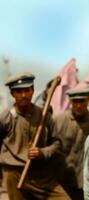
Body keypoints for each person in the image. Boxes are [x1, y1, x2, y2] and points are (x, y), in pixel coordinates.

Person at [0, 72, 70, 200]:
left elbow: (57, 143)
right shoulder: (6, 117)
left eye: (27, 90)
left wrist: (42, 152)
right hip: (14, 174)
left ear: (32, 91)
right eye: (19, 92)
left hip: (40, 174)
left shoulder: (44, 115)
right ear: (12, 94)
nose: (24, 95)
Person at [53, 85, 89, 200]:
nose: (79, 105)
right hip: (61, 178)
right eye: (75, 102)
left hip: (85, 179)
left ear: (88, 100)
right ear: (70, 102)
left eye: (82, 101)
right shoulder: (58, 120)